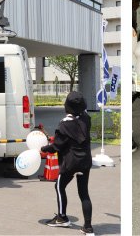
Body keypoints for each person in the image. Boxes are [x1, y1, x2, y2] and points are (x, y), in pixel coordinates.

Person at [42, 91, 94, 236]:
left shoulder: (64, 124)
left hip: (70, 163)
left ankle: (62, 218)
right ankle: (88, 228)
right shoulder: (86, 119)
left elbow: (57, 146)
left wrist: (44, 148)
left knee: (59, 186)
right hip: (85, 161)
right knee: (84, 193)